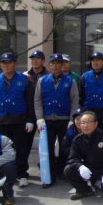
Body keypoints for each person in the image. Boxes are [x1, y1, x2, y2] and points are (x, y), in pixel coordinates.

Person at [0, 52, 35, 188]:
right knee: (5, 149)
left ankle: (22, 174)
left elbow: (30, 102)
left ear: (15, 64)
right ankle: (8, 174)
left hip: (19, 119)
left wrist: (30, 120)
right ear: (0, 65)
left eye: (9, 62)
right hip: (2, 120)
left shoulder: (24, 79)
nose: (6, 65)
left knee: (21, 148)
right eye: (4, 63)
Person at [34, 53, 79, 187]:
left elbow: (74, 101)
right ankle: (50, 175)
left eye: (57, 63)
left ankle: (61, 171)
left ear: (61, 65)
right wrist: (39, 118)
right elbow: (37, 100)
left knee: (64, 148)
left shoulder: (70, 81)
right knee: (47, 148)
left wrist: (72, 119)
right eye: (52, 63)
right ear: (49, 65)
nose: (55, 66)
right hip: (47, 120)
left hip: (64, 119)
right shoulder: (43, 80)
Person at [64, 111, 103, 200]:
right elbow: (73, 158)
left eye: (88, 122)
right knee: (68, 170)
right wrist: (80, 167)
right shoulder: (78, 139)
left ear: (95, 123)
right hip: (87, 170)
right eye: (83, 123)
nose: (85, 126)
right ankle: (84, 190)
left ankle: (99, 184)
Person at [24, 50, 49, 166]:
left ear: (43, 61)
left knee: (46, 143)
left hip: (44, 113)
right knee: (25, 143)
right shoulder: (25, 76)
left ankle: (44, 167)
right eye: (32, 59)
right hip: (28, 114)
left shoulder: (48, 75)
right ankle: (22, 168)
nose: (34, 61)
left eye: (37, 59)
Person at [59, 107, 85, 179]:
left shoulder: (94, 131)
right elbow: (64, 149)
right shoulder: (70, 131)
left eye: (81, 119)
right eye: (77, 119)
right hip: (74, 159)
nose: (79, 122)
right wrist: (75, 150)